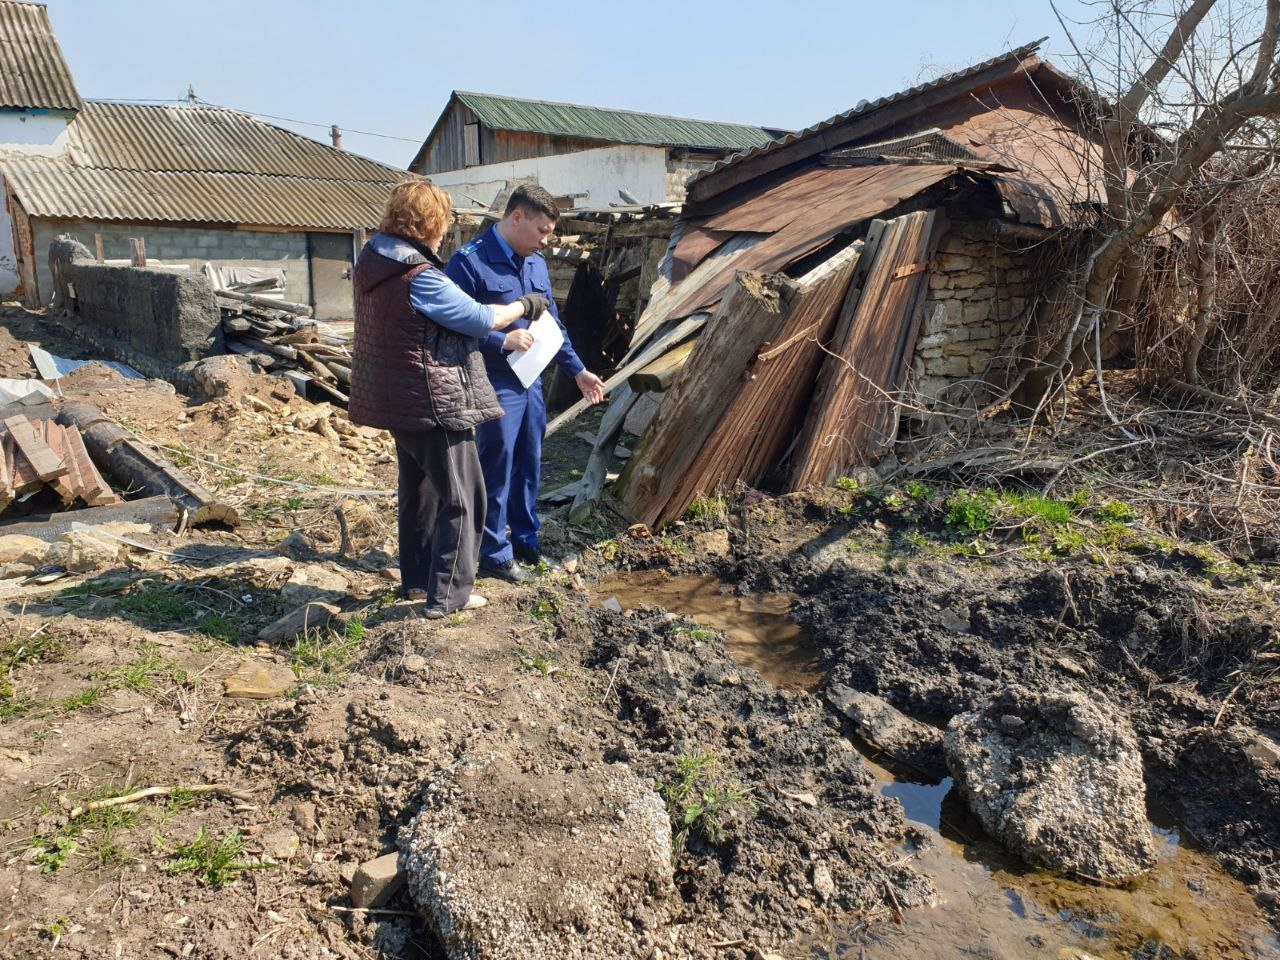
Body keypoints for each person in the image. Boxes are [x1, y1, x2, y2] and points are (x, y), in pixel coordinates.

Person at [348, 181, 548, 617]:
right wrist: (523, 306)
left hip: (396, 397)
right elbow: (480, 318)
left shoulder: (374, 260)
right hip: (431, 397)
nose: (444, 233)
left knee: (419, 491)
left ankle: (420, 582)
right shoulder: (417, 276)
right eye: (442, 223)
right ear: (428, 224)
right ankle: (449, 597)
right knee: (464, 495)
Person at [446, 184, 605, 583]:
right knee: (496, 466)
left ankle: (525, 540)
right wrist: (501, 339)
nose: (546, 242)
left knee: (529, 463)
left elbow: (551, 325)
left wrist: (578, 370)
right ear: (516, 217)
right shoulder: (469, 263)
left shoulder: (534, 263)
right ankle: (494, 554)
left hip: (531, 380)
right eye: (542, 231)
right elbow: (450, 325)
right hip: (492, 380)